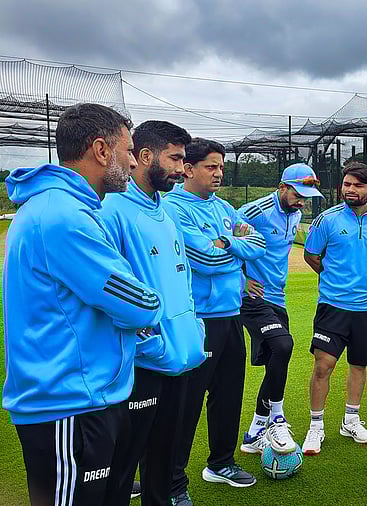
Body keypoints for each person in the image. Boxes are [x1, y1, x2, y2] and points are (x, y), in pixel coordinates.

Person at [3, 102, 164, 506]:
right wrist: (150, 306)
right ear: (101, 150)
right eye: (127, 151)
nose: (132, 162)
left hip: (81, 399)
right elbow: (140, 304)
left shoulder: (66, 208)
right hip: (67, 405)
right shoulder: (64, 215)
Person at [98, 121, 207, 506]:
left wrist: (193, 330)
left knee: (163, 464)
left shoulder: (166, 211)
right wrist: (152, 347)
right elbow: (110, 295)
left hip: (179, 359)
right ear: (145, 157)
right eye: (175, 158)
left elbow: (184, 281)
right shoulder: (112, 210)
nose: (182, 168)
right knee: (122, 469)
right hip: (141, 367)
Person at [165, 138, 265, 504]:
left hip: (230, 315)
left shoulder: (224, 206)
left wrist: (226, 244)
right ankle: (173, 483)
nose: (219, 173)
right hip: (197, 320)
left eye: (221, 166)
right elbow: (204, 260)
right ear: (188, 169)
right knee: (185, 405)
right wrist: (231, 248)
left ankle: (220, 463)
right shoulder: (174, 207)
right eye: (211, 166)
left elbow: (258, 243)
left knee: (227, 396)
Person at [300, 162, 367, 455]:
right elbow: (312, 255)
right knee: (323, 365)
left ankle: (351, 420)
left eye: (358, 185)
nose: (350, 190)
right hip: (333, 306)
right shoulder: (326, 220)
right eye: (347, 184)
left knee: (359, 364)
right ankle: (316, 427)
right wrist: (335, 278)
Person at [237, 163, 323, 456]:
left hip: (278, 299)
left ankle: (254, 432)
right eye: (298, 193)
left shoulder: (296, 214)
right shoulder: (254, 211)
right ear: (282, 187)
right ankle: (276, 417)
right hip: (251, 298)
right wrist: (242, 280)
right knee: (283, 345)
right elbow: (227, 245)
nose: (302, 201)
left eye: (307, 196)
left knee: (277, 356)